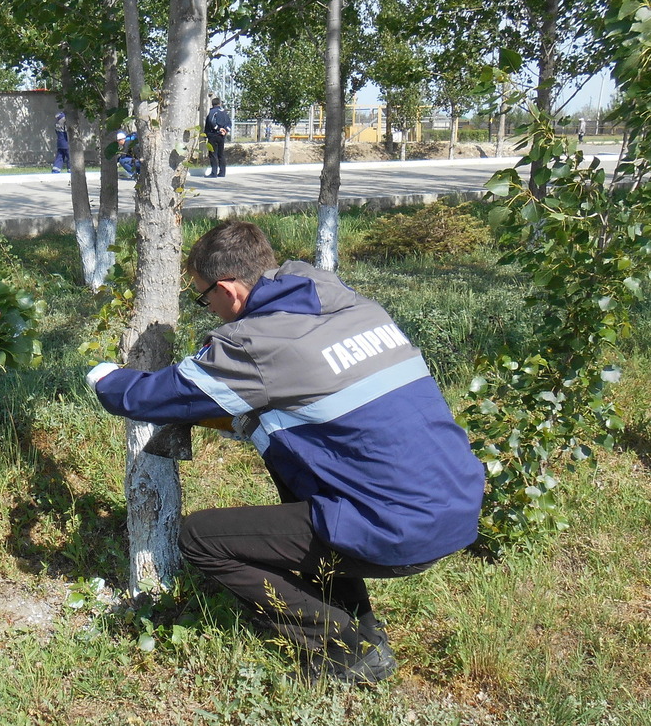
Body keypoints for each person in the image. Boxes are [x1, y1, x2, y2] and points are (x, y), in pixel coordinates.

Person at [85, 221, 484, 684]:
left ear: (230, 289)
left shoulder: (254, 346)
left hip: (397, 531)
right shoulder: (358, 309)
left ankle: (345, 647)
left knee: (200, 539)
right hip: (457, 506)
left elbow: (142, 397)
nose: (207, 308)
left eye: (203, 296)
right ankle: (365, 632)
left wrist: (99, 374)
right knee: (300, 488)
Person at [204, 97, 232, 177]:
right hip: (222, 136)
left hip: (213, 134)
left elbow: (211, 121)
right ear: (220, 104)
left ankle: (214, 173)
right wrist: (225, 130)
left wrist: (219, 129)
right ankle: (222, 172)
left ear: (212, 104)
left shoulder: (213, 111)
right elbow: (229, 123)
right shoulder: (224, 112)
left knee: (213, 154)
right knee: (221, 154)